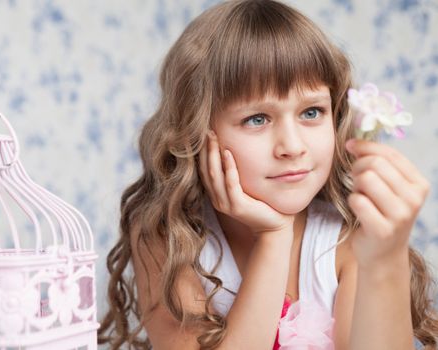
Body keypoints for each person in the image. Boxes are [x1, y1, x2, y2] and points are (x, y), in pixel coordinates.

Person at [98, 0, 438, 349]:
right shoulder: (168, 238)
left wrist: (386, 257)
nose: (292, 146)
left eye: (311, 112)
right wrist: (274, 236)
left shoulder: (346, 242)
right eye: (257, 119)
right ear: (196, 133)